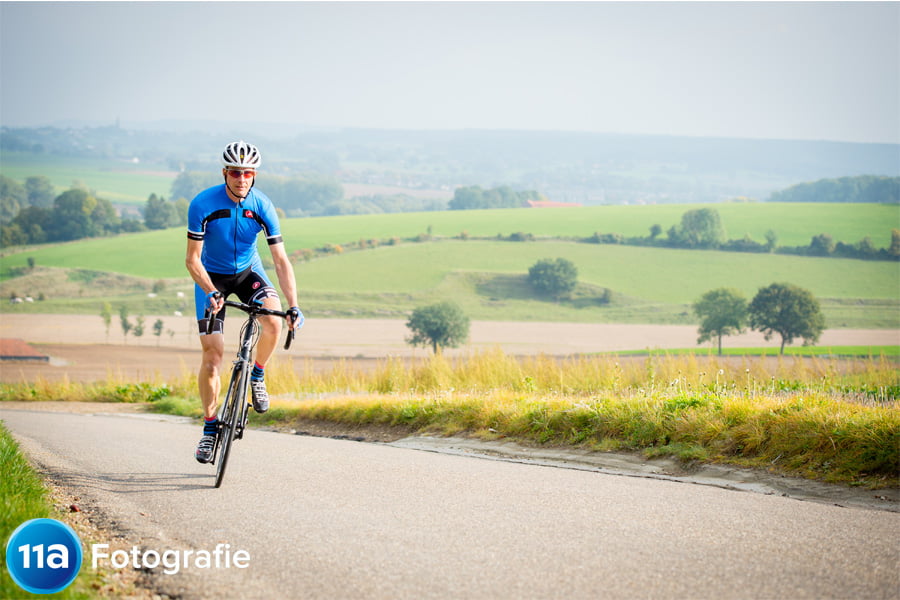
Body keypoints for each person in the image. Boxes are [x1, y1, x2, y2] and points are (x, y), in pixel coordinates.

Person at [185, 140, 303, 463]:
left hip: (249, 272)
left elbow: (280, 260)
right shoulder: (202, 204)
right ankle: (209, 430)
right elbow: (192, 260)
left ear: (254, 175)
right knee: (213, 356)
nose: (241, 179)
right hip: (211, 278)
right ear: (225, 173)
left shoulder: (263, 206)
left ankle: (257, 375)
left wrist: (292, 304)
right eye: (235, 172)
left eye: (247, 173)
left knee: (273, 322)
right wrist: (210, 290)